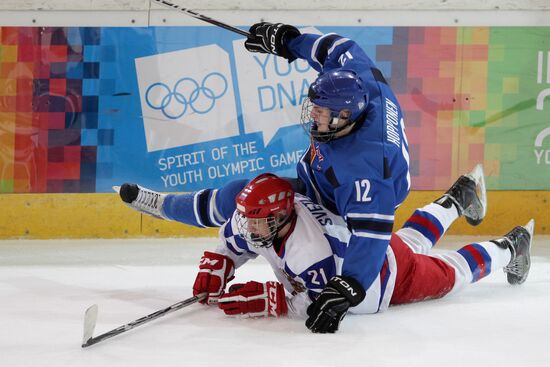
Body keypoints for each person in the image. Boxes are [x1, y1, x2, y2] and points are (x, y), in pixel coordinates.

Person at [119, 23, 414, 331]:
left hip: (340, 205)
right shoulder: (362, 81)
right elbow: (338, 48)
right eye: (314, 107)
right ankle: (165, 205)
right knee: (244, 194)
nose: (313, 116)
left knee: (305, 242)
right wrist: (290, 41)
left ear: (345, 117)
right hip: (323, 181)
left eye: (322, 114)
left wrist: (349, 285)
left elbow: (371, 234)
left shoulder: (366, 174)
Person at [191, 169, 533, 333]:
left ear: (281, 217)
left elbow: (320, 302)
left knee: (451, 272)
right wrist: (222, 259)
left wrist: (273, 300)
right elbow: (235, 237)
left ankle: (510, 246)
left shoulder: (309, 250)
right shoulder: (262, 218)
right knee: (412, 238)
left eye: (257, 222)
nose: (249, 228)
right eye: (248, 220)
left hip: (386, 278)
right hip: (373, 244)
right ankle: (458, 198)